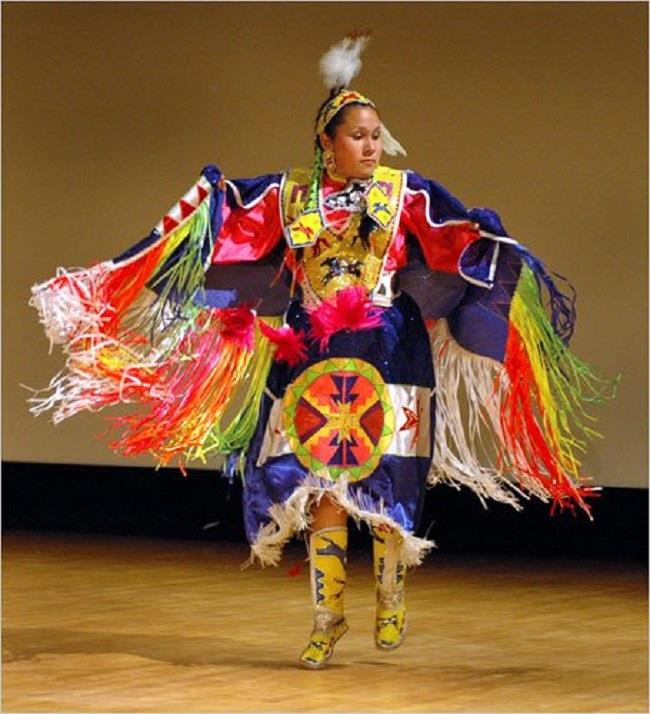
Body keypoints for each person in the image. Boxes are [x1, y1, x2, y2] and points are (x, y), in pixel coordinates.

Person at [28, 35, 615, 669]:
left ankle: (391, 597)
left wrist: (492, 242)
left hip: (391, 351)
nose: (372, 146)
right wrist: (210, 198)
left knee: (386, 483)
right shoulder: (288, 198)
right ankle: (327, 618)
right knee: (320, 490)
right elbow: (232, 223)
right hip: (311, 353)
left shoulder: (405, 193)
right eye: (359, 136)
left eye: (376, 135)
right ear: (328, 143)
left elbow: (457, 239)